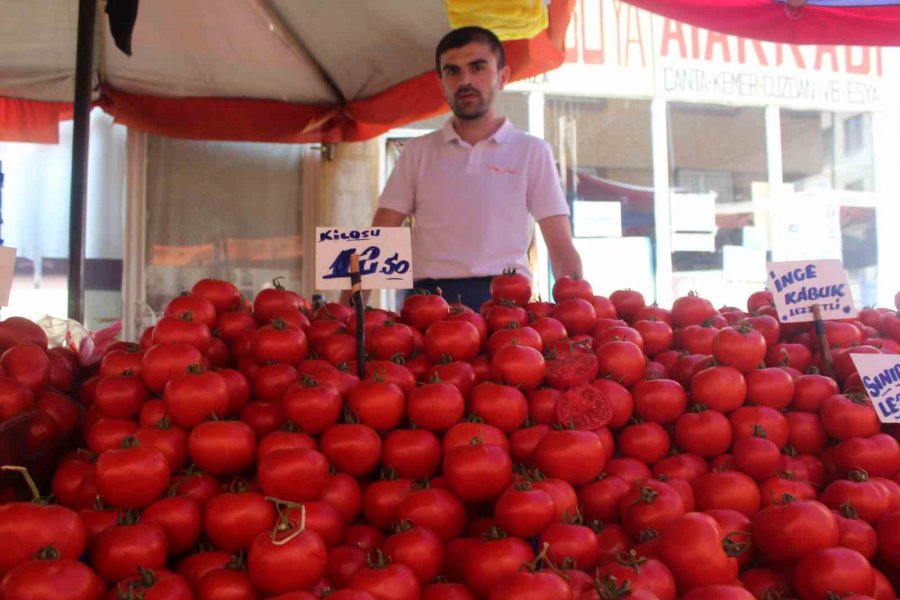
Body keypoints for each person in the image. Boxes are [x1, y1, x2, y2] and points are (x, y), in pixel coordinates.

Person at [345, 26, 582, 309]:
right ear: (441, 82)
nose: (465, 80)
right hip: (427, 305)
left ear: (502, 76)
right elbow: (379, 237)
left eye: (477, 67)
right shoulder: (416, 152)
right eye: (452, 71)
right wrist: (343, 317)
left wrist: (580, 312)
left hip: (508, 302)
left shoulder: (532, 151)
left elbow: (560, 245)